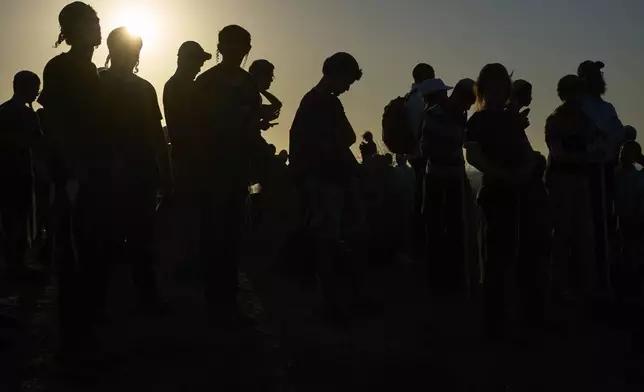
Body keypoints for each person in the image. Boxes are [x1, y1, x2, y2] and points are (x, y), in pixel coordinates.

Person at [85, 27, 170, 320]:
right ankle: (107, 302)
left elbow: (157, 136)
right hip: (111, 173)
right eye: (129, 50)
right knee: (113, 242)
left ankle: (123, 301)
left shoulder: (132, 86)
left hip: (133, 173)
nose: (132, 56)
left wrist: (165, 173)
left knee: (136, 241)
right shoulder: (98, 82)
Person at [37, 1, 102, 357]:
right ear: (74, 29)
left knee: (90, 258)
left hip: (89, 174)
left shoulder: (90, 70)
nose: (98, 26)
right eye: (92, 21)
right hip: (73, 176)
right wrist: (74, 173)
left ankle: (84, 337)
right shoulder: (61, 68)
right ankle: (74, 347)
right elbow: (58, 125)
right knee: (74, 260)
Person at [194, 25, 264, 321]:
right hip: (213, 167)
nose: (239, 50)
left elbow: (249, 127)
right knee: (214, 232)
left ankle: (227, 293)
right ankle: (215, 295)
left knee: (232, 233)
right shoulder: (206, 82)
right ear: (222, 46)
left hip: (237, 168)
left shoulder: (248, 85)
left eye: (243, 45)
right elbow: (198, 125)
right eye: (234, 44)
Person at [465, 64, 539, 337]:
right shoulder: (478, 121)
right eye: (492, 88)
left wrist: (525, 171)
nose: (497, 93)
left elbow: (526, 151)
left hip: (517, 193)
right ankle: (494, 320)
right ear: (483, 91)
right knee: (494, 258)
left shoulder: (511, 121)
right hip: (495, 193)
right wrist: (506, 175)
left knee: (516, 255)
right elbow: (473, 156)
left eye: (501, 88)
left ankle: (516, 314)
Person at [289, 52, 363, 317]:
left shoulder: (321, 101)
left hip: (328, 178)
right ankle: (330, 299)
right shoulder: (320, 103)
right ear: (335, 73)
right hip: (323, 179)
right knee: (326, 240)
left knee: (332, 239)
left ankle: (336, 297)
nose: (347, 87)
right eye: (347, 81)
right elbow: (335, 140)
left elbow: (346, 137)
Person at [545, 75, 599, 300]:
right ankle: (559, 283)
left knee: (584, 234)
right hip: (561, 180)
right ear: (566, 94)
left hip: (581, 180)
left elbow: (598, 140)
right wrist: (587, 156)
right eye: (576, 93)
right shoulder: (555, 120)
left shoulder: (585, 119)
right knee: (562, 233)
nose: (580, 98)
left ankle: (586, 284)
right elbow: (559, 155)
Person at [421, 78, 475, 295]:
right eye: (467, 102)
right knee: (436, 227)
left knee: (455, 227)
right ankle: (436, 279)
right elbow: (426, 149)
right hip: (437, 176)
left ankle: (455, 277)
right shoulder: (434, 115)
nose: (468, 107)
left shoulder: (461, 116)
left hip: (454, 176)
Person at [578, 60, 625, 290]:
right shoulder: (578, 107)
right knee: (588, 223)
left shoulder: (608, 108)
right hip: (586, 171)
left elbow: (618, 133)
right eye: (593, 75)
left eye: (599, 74)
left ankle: (608, 275)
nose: (598, 78)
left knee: (607, 220)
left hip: (606, 168)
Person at [0, 71, 42, 281]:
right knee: (18, 220)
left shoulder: (4, 110)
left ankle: (14, 264)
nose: (37, 93)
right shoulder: (26, 115)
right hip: (18, 174)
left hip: (10, 174)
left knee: (12, 222)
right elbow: (38, 144)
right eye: (35, 88)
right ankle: (17, 265)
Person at [164, 41, 212, 181]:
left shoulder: (191, 86)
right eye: (197, 60)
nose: (200, 66)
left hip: (193, 158)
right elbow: (186, 124)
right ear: (184, 60)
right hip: (187, 159)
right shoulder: (176, 86)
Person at [249, 59, 282, 131]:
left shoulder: (256, 95)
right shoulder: (247, 94)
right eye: (270, 76)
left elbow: (277, 105)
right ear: (260, 75)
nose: (271, 80)